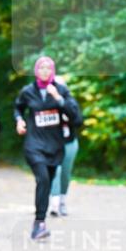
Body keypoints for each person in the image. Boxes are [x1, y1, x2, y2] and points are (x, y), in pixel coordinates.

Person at [15, 56, 81, 241]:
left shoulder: (61, 90)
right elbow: (18, 107)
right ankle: (39, 223)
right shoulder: (28, 91)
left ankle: (39, 223)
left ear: (53, 71)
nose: (45, 71)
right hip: (34, 145)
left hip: (55, 146)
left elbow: (76, 118)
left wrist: (59, 99)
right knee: (43, 179)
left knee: (46, 184)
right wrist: (19, 120)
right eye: (41, 68)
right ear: (36, 71)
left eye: (48, 68)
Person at [49, 74, 82, 217]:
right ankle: (54, 203)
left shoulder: (70, 102)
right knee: (55, 171)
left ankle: (62, 201)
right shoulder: (45, 103)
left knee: (65, 174)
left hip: (69, 143)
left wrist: (66, 110)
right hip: (52, 144)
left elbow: (79, 121)